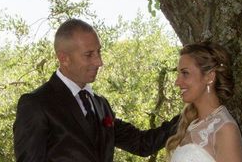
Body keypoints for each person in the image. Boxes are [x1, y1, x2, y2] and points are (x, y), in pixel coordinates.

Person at [13, 18, 179, 162]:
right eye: (89, 55)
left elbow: (142, 144)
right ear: (64, 58)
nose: (99, 62)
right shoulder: (36, 104)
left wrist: (191, 115)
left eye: (98, 52)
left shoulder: (100, 104)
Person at [166, 42, 242, 162]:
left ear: (209, 77)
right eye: (178, 74)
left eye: (185, 73)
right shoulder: (192, 123)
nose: (177, 82)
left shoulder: (225, 130)